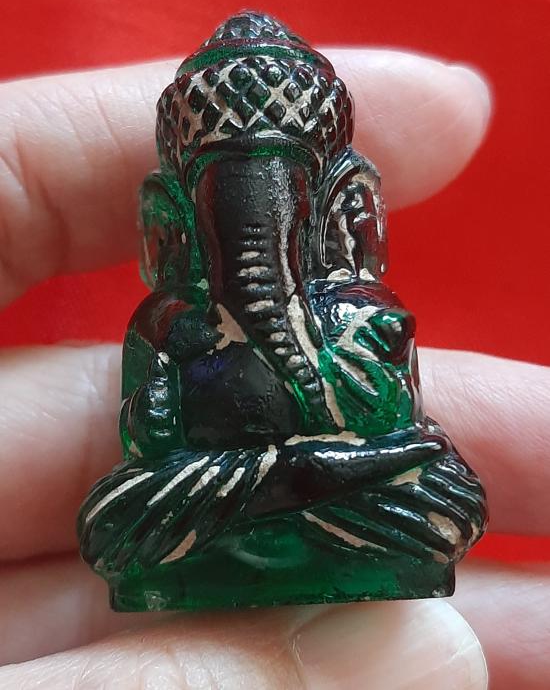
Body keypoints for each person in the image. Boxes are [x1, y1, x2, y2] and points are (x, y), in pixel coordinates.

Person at [0, 47, 547, 689]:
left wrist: (326, 435)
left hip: (304, 515)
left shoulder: (364, 316)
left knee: (450, 505)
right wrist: (286, 469)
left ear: (342, 206)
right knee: (109, 526)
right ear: (173, 218)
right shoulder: (166, 324)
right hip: (223, 505)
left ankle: (304, 483)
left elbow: (403, 436)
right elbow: (148, 455)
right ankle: (303, 480)